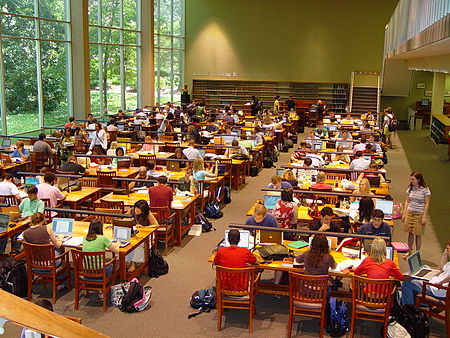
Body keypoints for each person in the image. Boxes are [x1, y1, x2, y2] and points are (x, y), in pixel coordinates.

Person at [401, 240, 450, 305]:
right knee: (425, 267)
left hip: (436, 289)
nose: (446, 250)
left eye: (447, 249)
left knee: (407, 283)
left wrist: (439, 283)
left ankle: (408, 307)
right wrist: (444, 255)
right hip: (435, 282)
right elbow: (442, 268)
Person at [402, 171, 431, 258]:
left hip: (419, 214)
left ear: (418, 179)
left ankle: (417, 254)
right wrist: (404, 213)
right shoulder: (410, 188)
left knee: (418, 234)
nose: (412, 181)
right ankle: (409, 251)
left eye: (413, 179)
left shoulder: (425, 190)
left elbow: (427, 203)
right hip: (410, 213)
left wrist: (424, 216)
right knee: (410, 233)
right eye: (411, 179)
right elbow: (407, 201)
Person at [82, 218, 119, 285]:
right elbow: (116, 251)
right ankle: (109, 284)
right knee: (114, 263)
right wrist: (116, 245)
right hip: (100, 272)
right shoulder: (103, 239)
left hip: (86, 272)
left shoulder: (85, 238)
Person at [126, 200, 159, 272]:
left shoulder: (148, 213)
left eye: (139, 211)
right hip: (133, 233)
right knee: (126, 242)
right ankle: (123, 261)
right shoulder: (131, 211)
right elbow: (125, 220)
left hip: (146, 234)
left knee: (138, 244)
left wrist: (143, 227)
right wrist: (129, 222)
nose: (136, 212)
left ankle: (133, 263)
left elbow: (156, 225)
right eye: (136, 210)